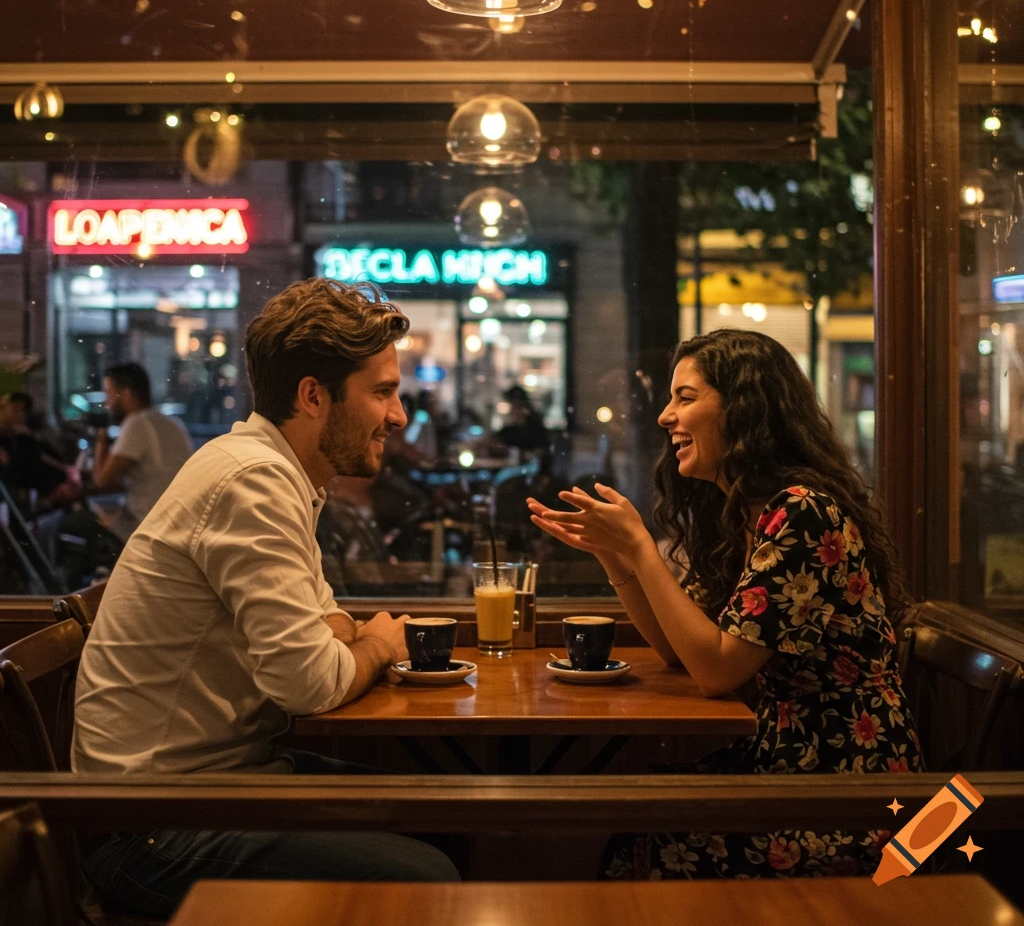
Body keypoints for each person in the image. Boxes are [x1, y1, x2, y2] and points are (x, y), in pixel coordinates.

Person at [73, 279, 459, 918]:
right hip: (147, 825)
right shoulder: (252, 480)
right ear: (313, 395)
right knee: (431, 874)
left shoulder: (276, 472)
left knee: (447, 808)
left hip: (218, 784)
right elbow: (308, 681)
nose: (398, 415)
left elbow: (326, 615)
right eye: (382, 392)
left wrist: (348, 642)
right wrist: (378, 643)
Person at [527, 329, 922, 880]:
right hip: (790, 758)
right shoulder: (747, 513)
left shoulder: (802, 513)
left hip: (849, 787)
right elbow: (676, 650)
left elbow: (714, 670)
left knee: (654, 837)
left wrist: (641, 545)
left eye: (685, 398)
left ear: (745, 408)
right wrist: (615, 555)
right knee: (635, 809)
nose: (666, 416)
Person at [92, 363, 194, 542]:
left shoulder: (137, 423)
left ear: (126, 393)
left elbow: (102, 481)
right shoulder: (172, 423)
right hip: (177, 521)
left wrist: (102, 436)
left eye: (109, 393)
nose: (106, 403)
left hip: (146, 523)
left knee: (68, 524)